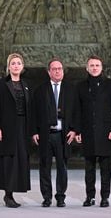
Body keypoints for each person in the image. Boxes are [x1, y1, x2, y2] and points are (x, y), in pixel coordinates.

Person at [75, 55, 111, 207]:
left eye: (97, 65)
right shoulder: (80, 85)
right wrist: (78, 131)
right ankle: (90, 197)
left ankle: (105, 197)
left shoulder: (110, 84)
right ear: (87, 68)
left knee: (106, 169)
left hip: (106, 131)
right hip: (87, 132)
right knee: (89, 169)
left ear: (101, 68)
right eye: (92, 65)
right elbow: (78, 111)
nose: (94, 68)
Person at [31, 58, 76, 207]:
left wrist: (75, 130)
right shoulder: (39, 90)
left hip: (63, 135)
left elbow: (77, 112)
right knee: (45, 167)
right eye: (54, 69)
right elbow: (34, 113)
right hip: (45, 134)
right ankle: (47, 197)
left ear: (63, 71)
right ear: (49, 71)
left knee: (62, 167)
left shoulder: (71, 89)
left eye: (60, 68)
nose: (57, 71)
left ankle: (61, 196)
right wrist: (34, 131)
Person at [0, 53, 31, 208]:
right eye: (13, 63)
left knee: (19, 160)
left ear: (22, 66)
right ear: (9, 66)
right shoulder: (1, 84)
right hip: (7, 128)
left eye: (19, 63)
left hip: (22, 126)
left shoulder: (25, 84)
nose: (16, 65)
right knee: (8, 161)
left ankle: (12, 192)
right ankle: (8, 195)